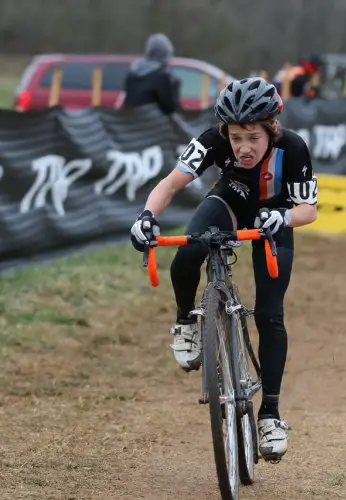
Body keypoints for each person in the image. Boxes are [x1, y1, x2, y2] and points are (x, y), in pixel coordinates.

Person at [129, 77, 318, 461]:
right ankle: (186, 322)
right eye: (236, 138)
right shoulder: (212, 140)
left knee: (269, 313)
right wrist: (145, 217)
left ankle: (270, 415)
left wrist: (282, 217)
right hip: (231, 199)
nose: (243, 147)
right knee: (188, 251)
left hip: (276, 217)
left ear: (271, 129)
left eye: (253, 137)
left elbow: (308, 210)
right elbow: (170, 184)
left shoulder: (293, 147)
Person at [122, 33, 181, 115]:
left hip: (133, 123)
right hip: (153, 124)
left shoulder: (132, 75)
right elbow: (170, 109)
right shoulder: (162, 77)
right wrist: (175, 85)